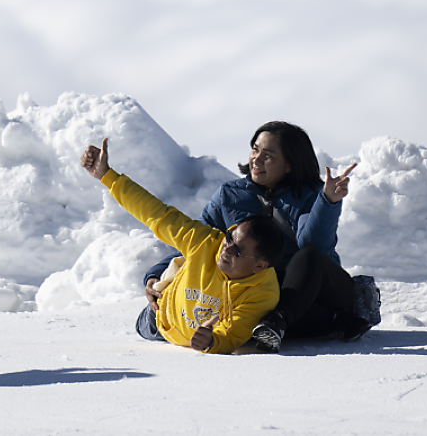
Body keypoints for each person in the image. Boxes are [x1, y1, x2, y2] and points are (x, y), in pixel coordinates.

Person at [142, 120, 379, 352]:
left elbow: (313, 244)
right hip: (262, 297)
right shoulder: (230, 195)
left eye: (268, 155)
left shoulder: (311, 195)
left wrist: (327, 201)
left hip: (315, 289)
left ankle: (280, 321)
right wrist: (156, 274)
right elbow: (198, 242)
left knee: (308, 256)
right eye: (255, 150)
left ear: (289, 164)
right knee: (249, 300)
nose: (256, 159)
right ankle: (329, 322)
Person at [80, 137, 286, 354]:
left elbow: (232, 335)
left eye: (237, 250)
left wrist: (212, 342)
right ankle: (168, 277)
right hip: (159, 321)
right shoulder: (206, 242)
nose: (226, 248)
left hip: (194, 338)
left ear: (259, 266)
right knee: (142, 326)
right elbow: (155, 213)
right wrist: (107, 176)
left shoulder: (263, 293)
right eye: (229, 238)